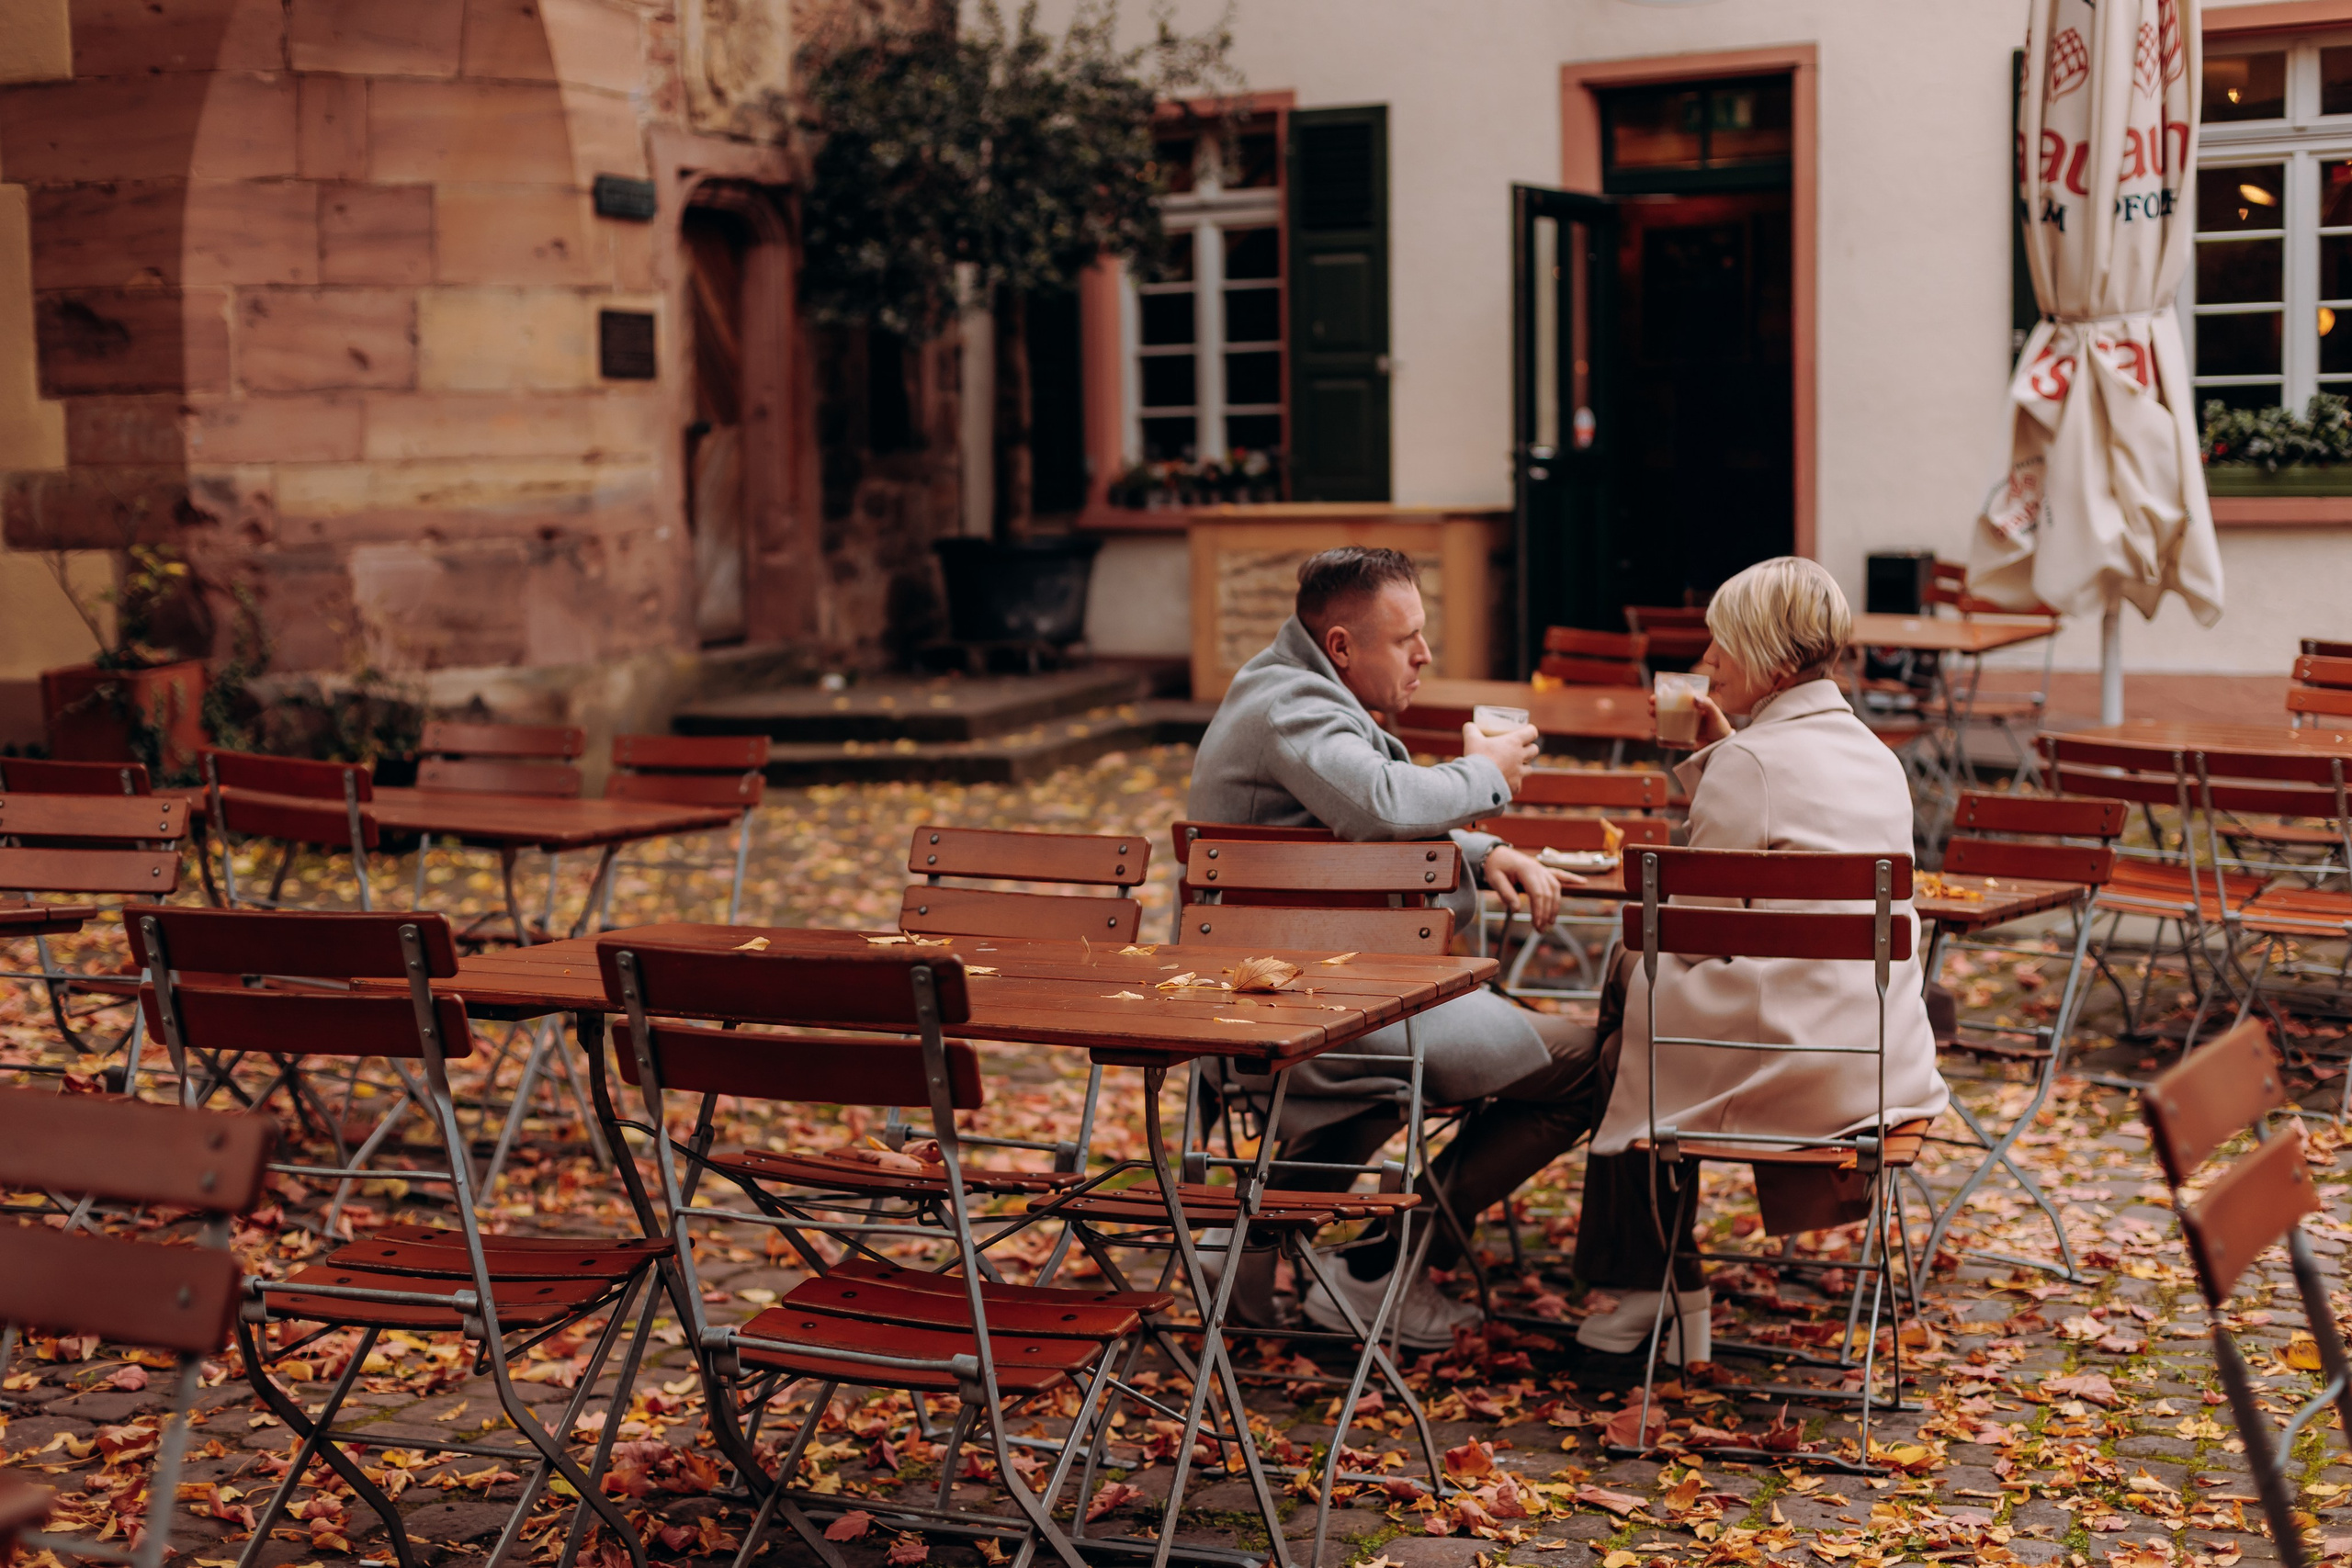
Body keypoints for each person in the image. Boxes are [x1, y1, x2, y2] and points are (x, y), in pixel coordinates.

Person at [1189, 546, 1614, 1347]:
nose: (1424, 655)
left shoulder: (1289, 691)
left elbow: (1345, 816)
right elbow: (1382, 804)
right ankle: (1380, 1269)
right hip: (1314, 1007)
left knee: (1390, 1087)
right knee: (1592, 1064)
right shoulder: (1293, 706)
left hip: (1314, 992)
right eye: (1406, 638)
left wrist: (1487, 853)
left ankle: (1250, 1240)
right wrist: (1485, 772)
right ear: (1342, 644)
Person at [1572, 557, 1950, 1366]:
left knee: (1620, 1024)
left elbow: (1692, 932)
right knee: (1624, 1011)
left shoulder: (1748, 766)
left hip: (1792, 1059)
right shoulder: (1879, 757)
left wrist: (1726, 762)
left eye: (1721, 644)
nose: (1706, 661)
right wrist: (1728, 752)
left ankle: (1657, 1280)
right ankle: (1656, 1283)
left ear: (1773, 663)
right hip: (1875, 1058)